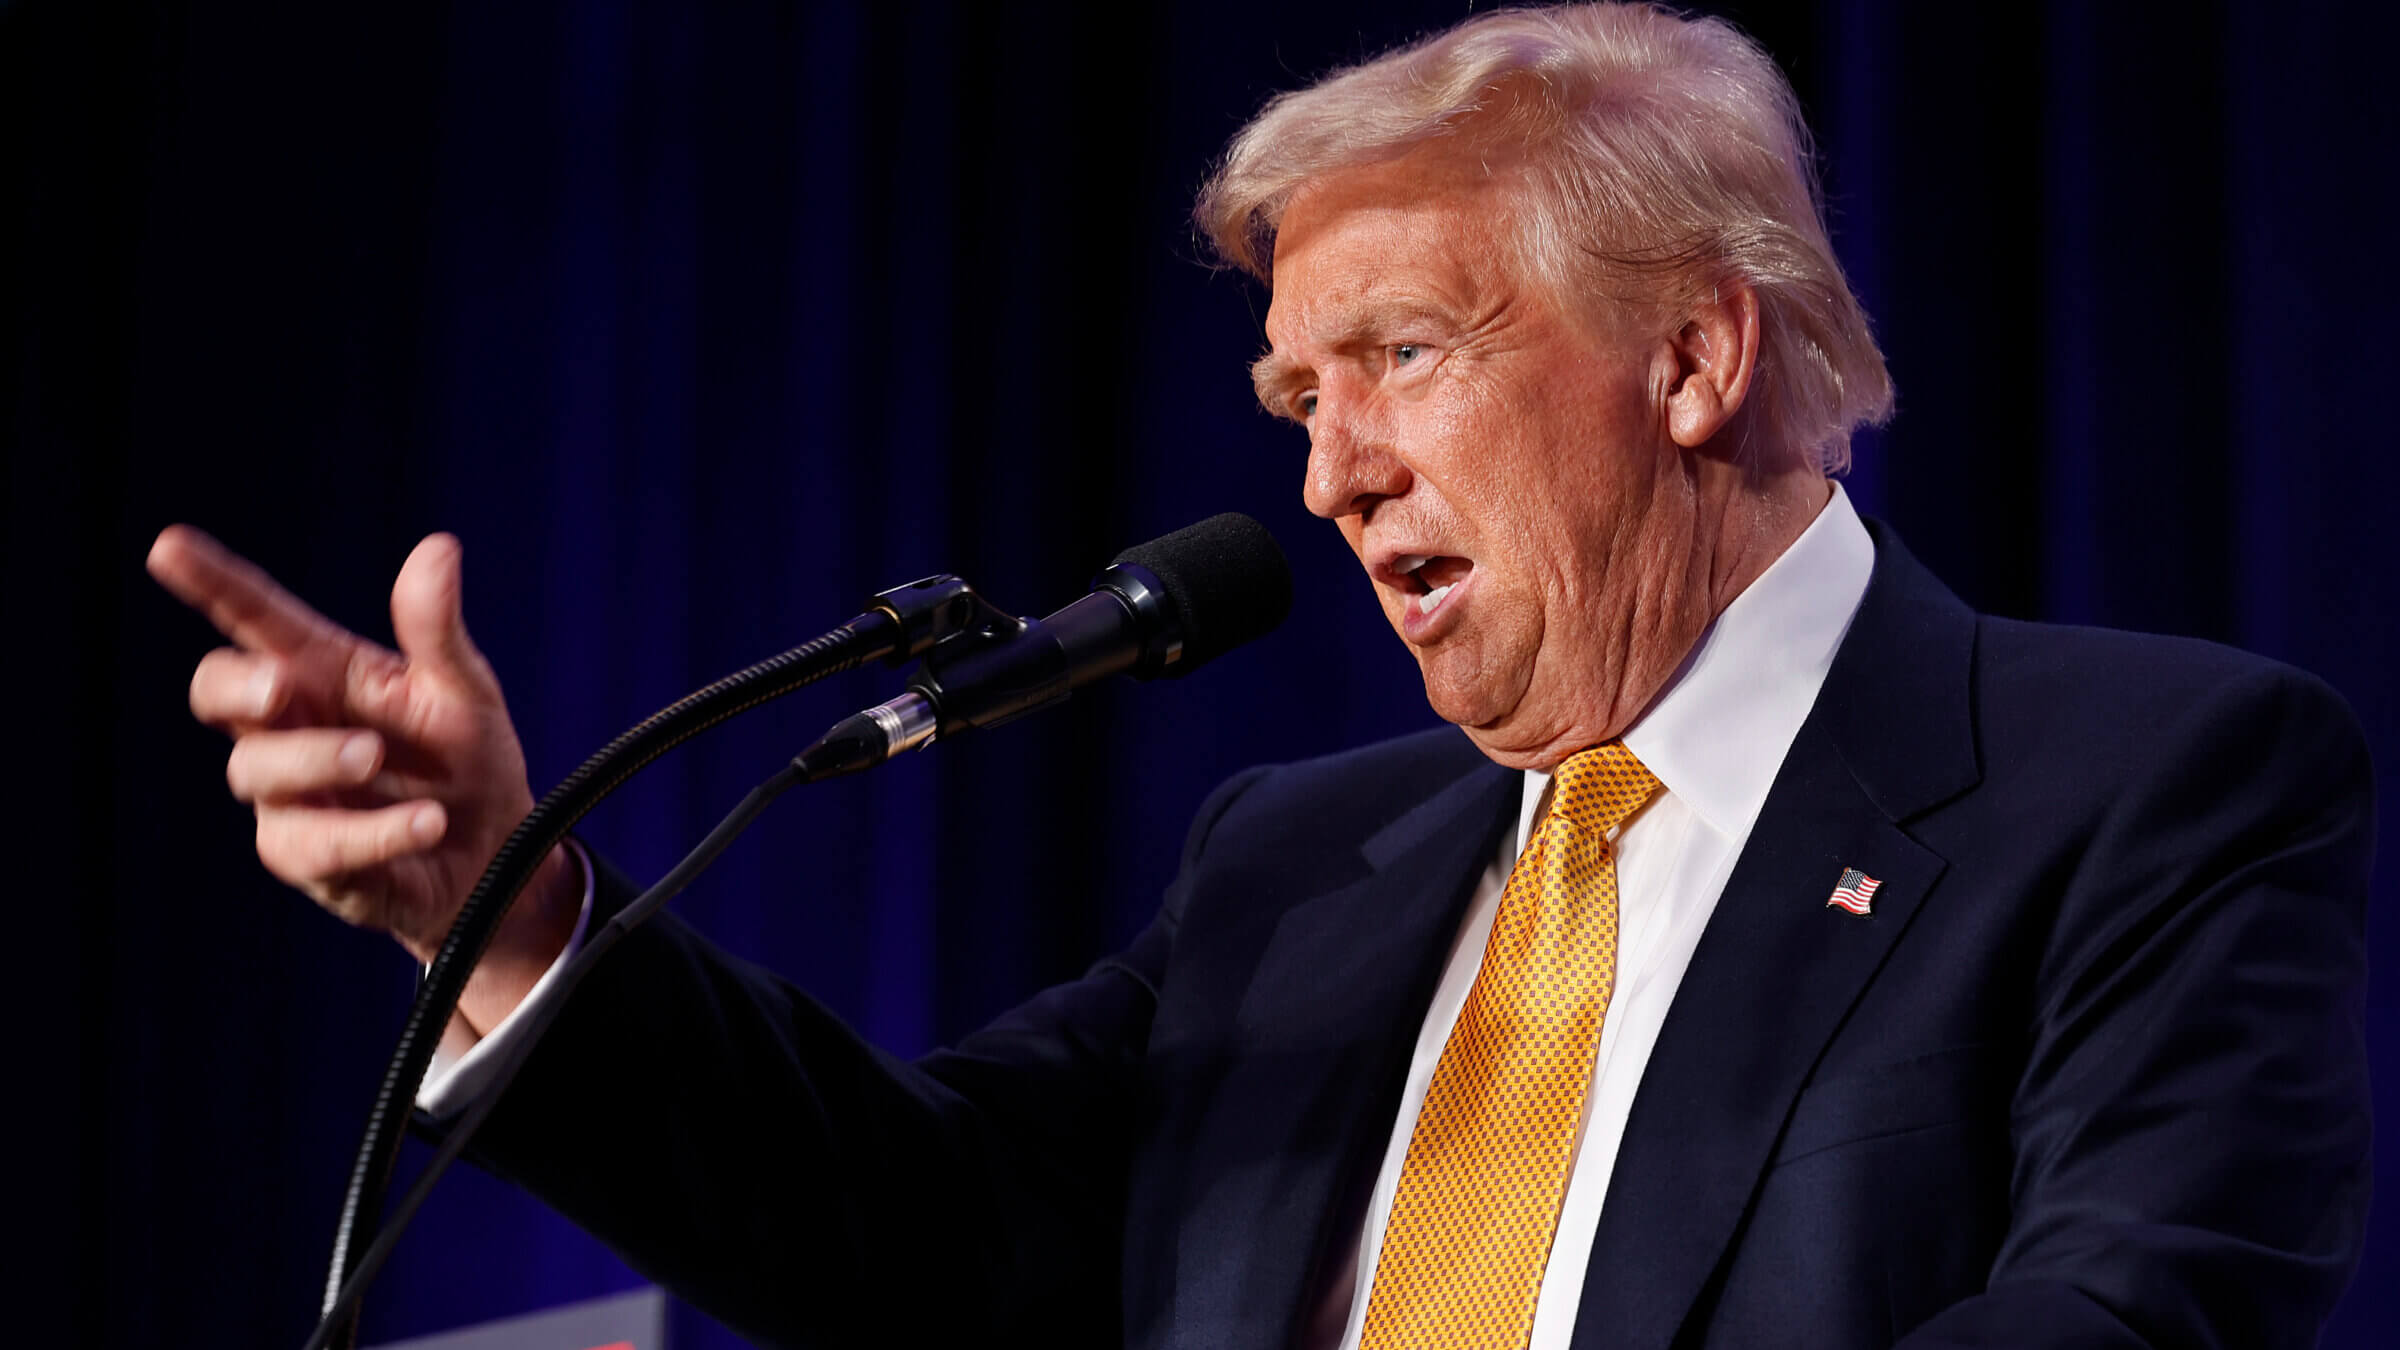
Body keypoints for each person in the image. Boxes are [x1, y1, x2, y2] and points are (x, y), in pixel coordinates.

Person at [149, 5, 2372, 1348]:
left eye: (1407, 356)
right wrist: (514, 914)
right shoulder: (1302, 868)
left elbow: (2127, 1316)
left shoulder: (2146, 783)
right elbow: (916, 1241)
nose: (1329, 475)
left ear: (1698, 355)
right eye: (1296, 397)